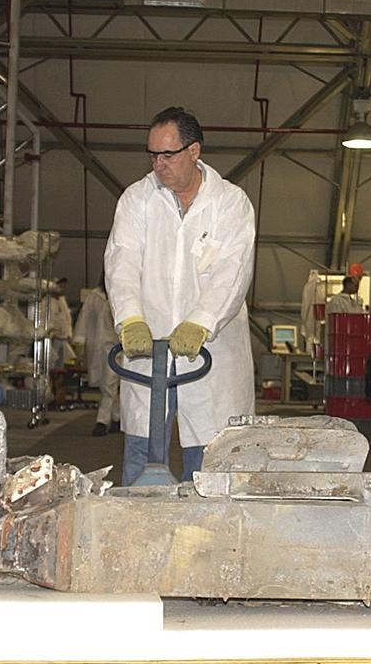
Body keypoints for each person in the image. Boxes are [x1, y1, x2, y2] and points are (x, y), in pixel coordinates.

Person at [103, 106, 256, 485]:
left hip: (210, 353)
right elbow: (122, 262)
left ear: (194, 151)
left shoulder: (230, 204)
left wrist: (202, 322)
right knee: (141, 450)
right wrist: (130, 317)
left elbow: (233, 272)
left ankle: (206, 539)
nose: (159, 164)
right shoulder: (136, 200)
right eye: (153, 154)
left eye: (168, 154)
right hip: (147, 348)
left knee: (207, 460)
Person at [73, 277, 121, 437]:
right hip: (100, 346)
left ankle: (102, 421)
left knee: (111, 384)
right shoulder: (95, 296)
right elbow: (85, 318)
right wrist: (79, 340)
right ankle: (116, 418)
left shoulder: (123, 294)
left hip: (120, 347)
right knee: (107, 383)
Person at [42, 278, 75, 405]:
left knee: (61, 368)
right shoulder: (46, 302)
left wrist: (69, 335)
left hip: (63, 339)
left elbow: (67, 319)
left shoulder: (62, 301)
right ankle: (50, 394)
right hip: (52, 339)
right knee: (51, 368)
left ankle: (59, 396)